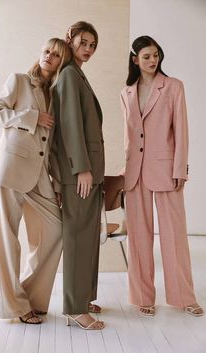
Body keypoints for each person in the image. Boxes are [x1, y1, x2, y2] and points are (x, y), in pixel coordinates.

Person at [0, 38, 71, 324]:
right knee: (8, 240)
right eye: (47, 51)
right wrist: (32, 116)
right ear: (41, 53)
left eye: (57, 55)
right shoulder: (20, 80)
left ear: (63, 62)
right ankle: (17, 307)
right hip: (10, 168)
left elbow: (49, 147)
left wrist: (57, 184)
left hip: (39, 174)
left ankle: (30, 297)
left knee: (56, 230)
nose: (49, 56)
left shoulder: (56, 93)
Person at [120, 35, 204, 317]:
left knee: (174, 235)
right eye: (146, 56)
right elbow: (129, 137)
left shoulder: (173, 87)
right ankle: (144, 297)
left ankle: (184, 297)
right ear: (135, 60)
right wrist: (125, 169)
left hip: (167, 169)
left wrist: (180, 168)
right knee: (139, 238)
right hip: (135, 173)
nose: (153, 60)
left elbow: (181, 130)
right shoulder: (127, 92)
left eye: (156, 55)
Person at [53, 21, 105, 330]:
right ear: (69, 40)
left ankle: (83, 297)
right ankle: (74, 308)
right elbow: (70, 124)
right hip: (80, 173)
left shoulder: (77, 74)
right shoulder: (70, 75)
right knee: (76, 237)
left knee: (88, 238)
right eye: (83, 42)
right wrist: (81, 168)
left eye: (92, 45)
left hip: (89, 171)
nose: (87, 49)